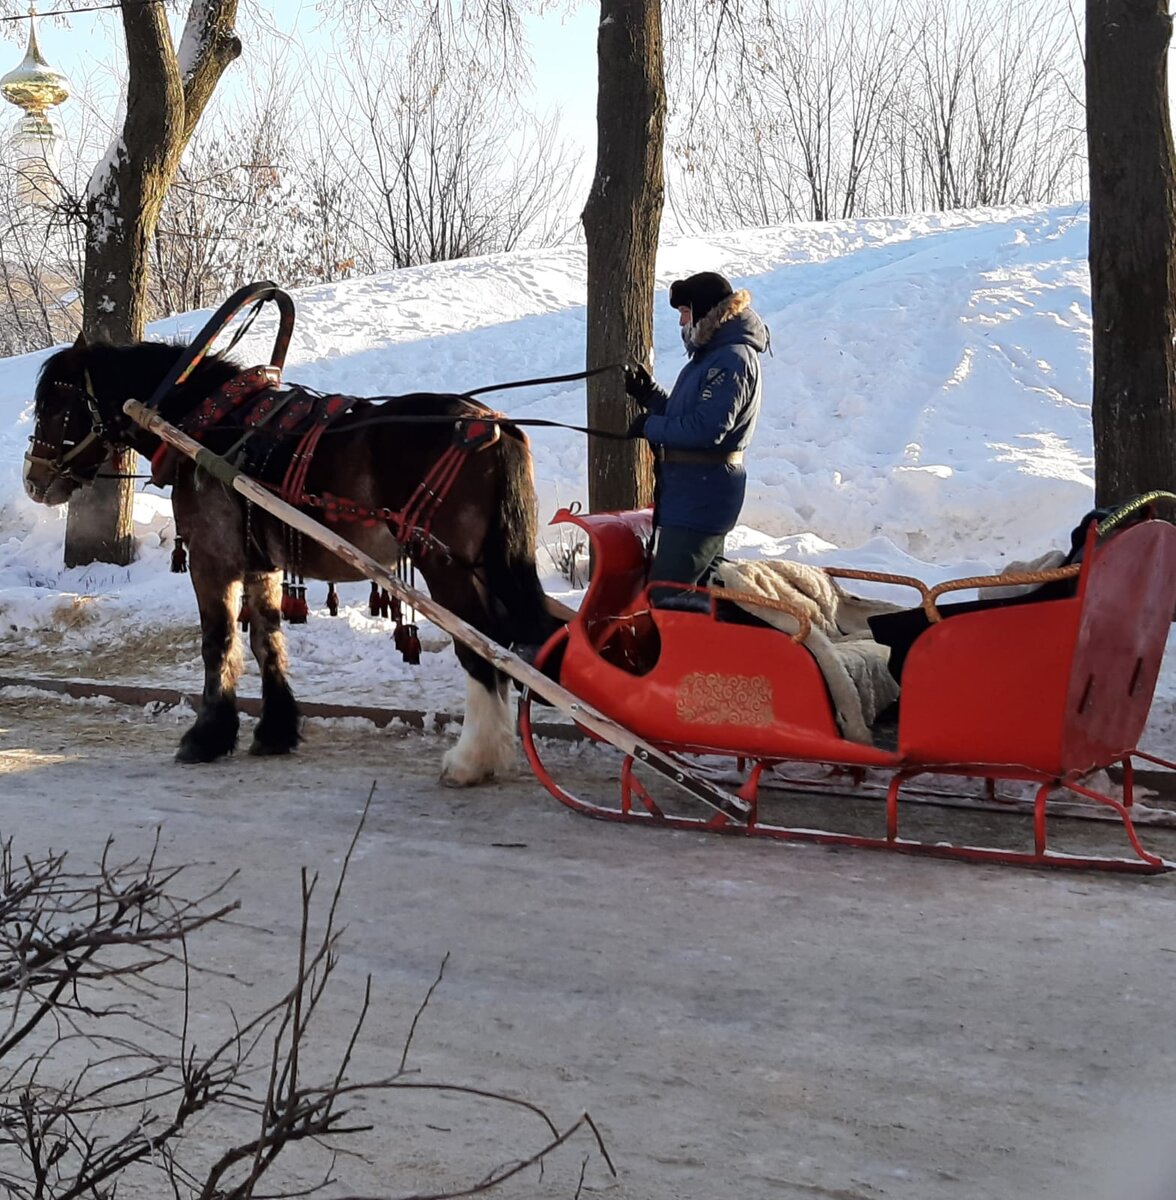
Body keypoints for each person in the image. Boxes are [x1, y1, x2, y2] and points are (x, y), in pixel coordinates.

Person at [624, 271, 769, 601]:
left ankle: (681, 650)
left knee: (670, 595)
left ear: (704, 311)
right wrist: (650, 396)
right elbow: (688, 417)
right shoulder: (712, 357)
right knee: (695, 593)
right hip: (694, 491)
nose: (681, 323)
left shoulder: (730, 360)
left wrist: (649, 426)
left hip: (701, 495)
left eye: (685, 313)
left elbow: (707, 430)